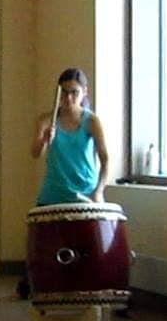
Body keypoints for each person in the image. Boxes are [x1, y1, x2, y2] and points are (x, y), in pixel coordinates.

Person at [16, 67, 108, 300]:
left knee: (89, 247)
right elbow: (35, 153)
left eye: (74, 92)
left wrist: (99, 191)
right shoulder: (46, 119)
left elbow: (105, 159)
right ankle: (34, 283)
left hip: (84, 192)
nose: (69, 98)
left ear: (84, 92)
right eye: (64, 92)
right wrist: (45, 138)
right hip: (53, 192)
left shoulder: (91, 121)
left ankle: (96, 289)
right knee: (43, 244)